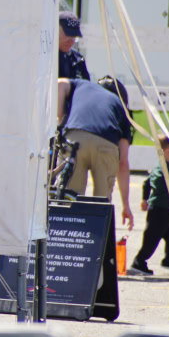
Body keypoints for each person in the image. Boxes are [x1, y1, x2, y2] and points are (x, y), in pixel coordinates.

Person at [57, 75, 135, 230]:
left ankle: (66, 237)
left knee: (68, 199)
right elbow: (123, 163)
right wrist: (126, 205)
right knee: (100, 205)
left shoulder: (81, 85)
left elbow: (60, 84)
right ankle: (95, 239)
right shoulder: (119, 106)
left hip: (75, 138)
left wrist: (60, 119)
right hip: (106, 143)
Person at [129, 133, 169, 276]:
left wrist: (144, 199)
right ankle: (139, 262)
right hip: (159, 209)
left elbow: (147, 183)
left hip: (162, 209)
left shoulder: (160, 167)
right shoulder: (167, 170)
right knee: (152, 238)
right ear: (168, 151)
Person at [58, 10, 90, 80]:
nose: (71, 41)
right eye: (68, 35)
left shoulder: (78, 59)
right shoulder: (45, 57)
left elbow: (85, 83)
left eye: (74, 36)